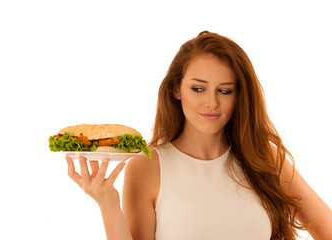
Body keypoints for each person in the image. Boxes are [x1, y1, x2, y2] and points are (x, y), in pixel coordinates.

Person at [65, 31, 332, 240]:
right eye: (198, 89)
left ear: (240, 96)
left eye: (225, 90)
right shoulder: (147, 167)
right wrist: (107, 202)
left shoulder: (264, 159)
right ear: (176, 90)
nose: (211, 103)